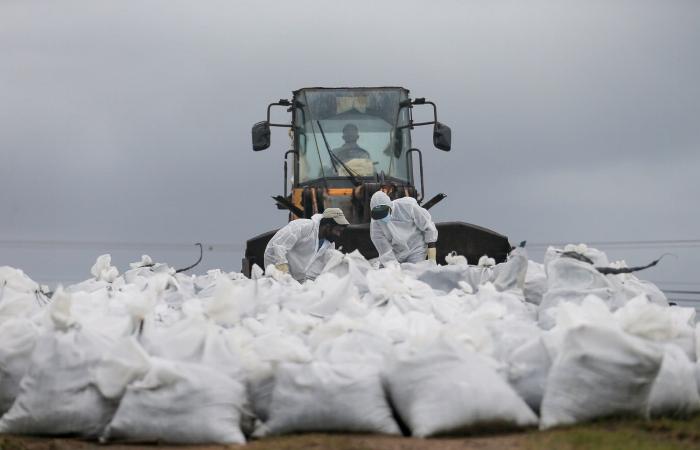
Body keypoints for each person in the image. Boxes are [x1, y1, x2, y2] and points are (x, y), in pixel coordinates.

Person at [264, 207, 350, 282]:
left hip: (296, 276)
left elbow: (319, 267)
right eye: (337, 230)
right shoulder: (303, 226)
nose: (338, 235)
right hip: (276, 263)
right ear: (327, 226)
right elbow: (279, 246)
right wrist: (283, 273)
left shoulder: (329, 245)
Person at [369, 191, 438, 266]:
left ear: (390, 206)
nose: (382, 216)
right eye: (378, 214)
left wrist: (432, 255)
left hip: (416, 249)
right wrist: (392, 266)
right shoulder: (376, 223)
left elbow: (428, 226)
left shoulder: (408, 206)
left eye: (383, 212)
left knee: (415, 273)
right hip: (397, 253)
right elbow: (385, 250)